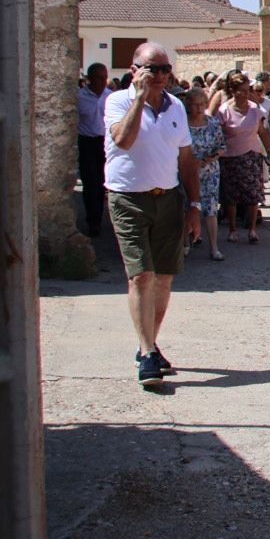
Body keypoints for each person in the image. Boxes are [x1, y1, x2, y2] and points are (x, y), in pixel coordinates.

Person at [104, 42, 203, 387]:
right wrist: (139, 100)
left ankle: (148, 342)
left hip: (168, 199)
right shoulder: (117, 102)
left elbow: (187, 160)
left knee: (163, 277)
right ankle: (147, 354)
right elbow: (123, 140)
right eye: (153, 69)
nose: (161, 76)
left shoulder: (175, 105)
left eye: (165, 70)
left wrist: (194, 206)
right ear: (135, 70)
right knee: (140, 276)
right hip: (128, 199)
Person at [215, 73, 268, 244]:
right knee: (231, 196)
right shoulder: (224, 111)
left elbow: (262, 131)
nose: (246, 94)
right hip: (230, 157)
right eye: (242, 91)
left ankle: (252, 229)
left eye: (248, 90)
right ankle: (232, 229)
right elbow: (217, 134)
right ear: (233, 91)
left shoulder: (255, 109)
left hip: (252, 155)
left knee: (253, 194)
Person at [182, 86, 226, 261]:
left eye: (202, 104)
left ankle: (214, 247)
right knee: (186, 206)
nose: (199, 108)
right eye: (195, 104)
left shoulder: (213, 123)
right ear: (188, 105)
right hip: (187, 171)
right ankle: (185, 243)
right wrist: (192, 161)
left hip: (209, 172)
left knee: (210, 209)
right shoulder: (182, 124)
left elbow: (222, 146)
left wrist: (209, 158)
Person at [77, 62, 110, 236]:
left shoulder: (110, 97)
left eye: (105, 77)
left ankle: (104, 218)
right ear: (90, 79)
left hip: (105, 143)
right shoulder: (79, 97)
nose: (103, 81)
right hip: (87, 142)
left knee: (104, 183)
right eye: (98, 78)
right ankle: (93, 221)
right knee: (90, 183)